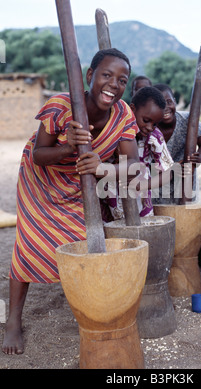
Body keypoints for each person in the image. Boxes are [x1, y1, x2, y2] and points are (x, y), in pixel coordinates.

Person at [2, 48, 140, 355]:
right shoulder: (60, 105)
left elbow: (134, 166)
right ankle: (13, 321)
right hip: (41, 181)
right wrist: (68, 148)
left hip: (80, 184)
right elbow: (39, 155)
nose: (114, 84)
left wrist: (103, 167)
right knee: (28, 245)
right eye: (106, 75)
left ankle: (91, 311)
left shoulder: (123, 115)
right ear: (90, 76)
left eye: (122, 80)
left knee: (84, 243)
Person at [107, 86, 174, 219]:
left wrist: (142, 186)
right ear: (132, 109)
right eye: (146, 120)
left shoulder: (154, 136)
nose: (150, 127)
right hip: (111, 197)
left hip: (142, 199)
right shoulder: (114, 129)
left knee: (143, 232)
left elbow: (168, 173)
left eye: (155, 124)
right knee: (115, 234)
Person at [152, 83, 201, 204]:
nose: (165, 107)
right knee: (162, 217)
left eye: (168, 102)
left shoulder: (189, 121)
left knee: (186, 216)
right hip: (159, 183)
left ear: (175, 101)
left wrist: (197, 161)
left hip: (185, 181)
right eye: (159, 104)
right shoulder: (149, 128)